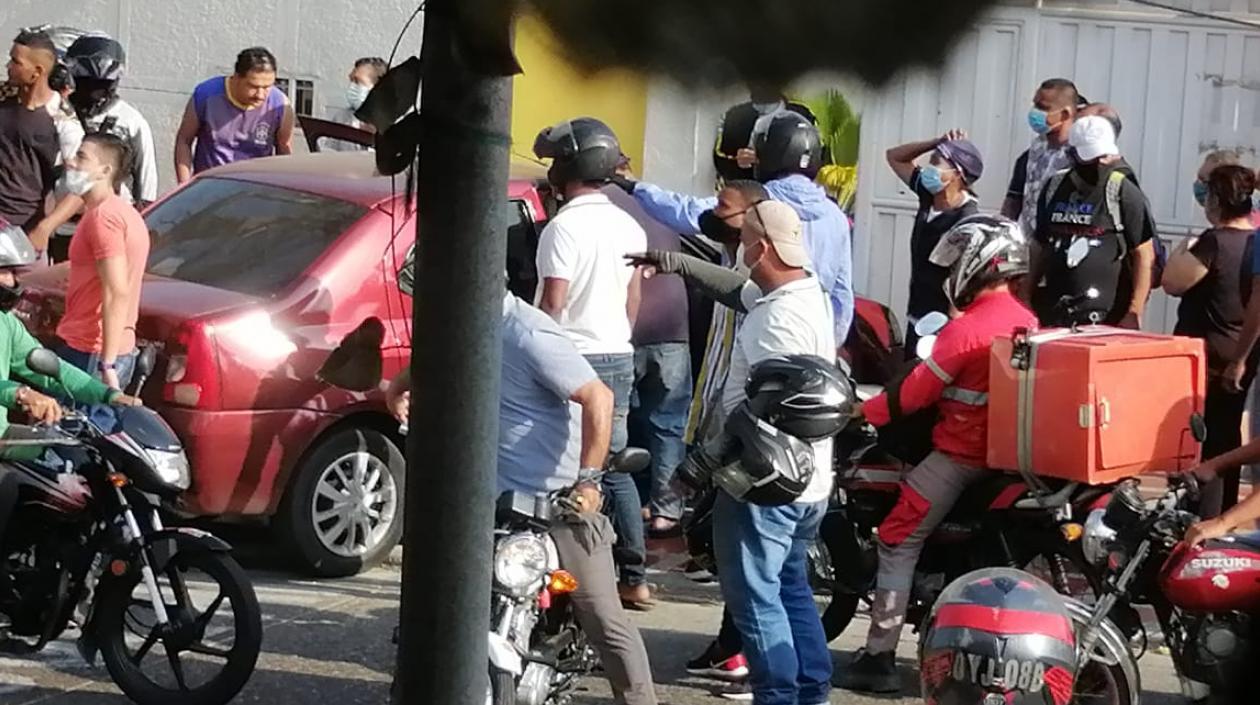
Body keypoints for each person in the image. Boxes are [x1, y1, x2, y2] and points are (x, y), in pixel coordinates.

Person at [384, 272, 659, 705]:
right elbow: (433, 357)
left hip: (556, 503)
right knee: (430, 605)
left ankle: (642, 700)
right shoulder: (460, 323)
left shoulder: (529, 332)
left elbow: (599, 397)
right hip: (483, 502)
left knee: (603, 617)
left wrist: (587, 482)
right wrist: (398, 389)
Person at [630, 201, 838, 705]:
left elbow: (763, 413)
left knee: (757, 601)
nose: (739, 249)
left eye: (743, 241)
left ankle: (779, 696)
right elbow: (736, 290)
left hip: (767, 483)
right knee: (789, 589)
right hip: (808, 482)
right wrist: (676, 261)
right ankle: (811, 692)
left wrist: (695, 469)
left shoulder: (779, 320)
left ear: (761, 248)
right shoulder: (801, 293)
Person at [836, 215, 1036, 694]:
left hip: (962, 456)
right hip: (1009, 456)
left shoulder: (968, 330)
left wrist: (863, 410)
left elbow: (911, 394)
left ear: (980, 264)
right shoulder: (1026, 319)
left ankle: (880, 654)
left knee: (897, 537)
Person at [532, 117, 652, 609]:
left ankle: (574, 573)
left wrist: (537, 352)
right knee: (612, 466)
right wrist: (619, 338)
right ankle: (635, 575)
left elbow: (552, 304)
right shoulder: (629, 223)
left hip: (572, 357)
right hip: (618, 353)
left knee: (566, 469)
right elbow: (633, 298)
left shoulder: (562, 228)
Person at [617, 112, 855, 345]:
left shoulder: (756, 201)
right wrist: (829, 343)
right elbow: (842, 294)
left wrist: (633, 186)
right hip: (811, 335)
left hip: (755, 327)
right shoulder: (835, 216)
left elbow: (687, 212)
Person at [0, 220, 141, 593]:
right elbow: (17, 387)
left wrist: (107, 395)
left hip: (3, 436)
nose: (12, 283)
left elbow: (50, 367)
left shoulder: (6, 325)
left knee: (66, 477)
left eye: (14, 273)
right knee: (7, 487)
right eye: (3, 273)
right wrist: (20, 395)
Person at [1165, 163, 1258, 518]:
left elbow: (1174, 282)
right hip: (1240, 355)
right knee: (1227, 435)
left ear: (1217, 200)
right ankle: (1222, 512)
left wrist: (1181, 249)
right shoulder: (1253, 242)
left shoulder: (1214, 242)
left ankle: (1200, 516)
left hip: (1205, 360)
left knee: (1200, 440)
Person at [605, 157, 691, 538]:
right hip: (673, 330)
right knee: (667, 425)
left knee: (617, 422)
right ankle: (666, 511)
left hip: (622, 330)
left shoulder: (595, 206)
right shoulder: (661, 205)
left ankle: (619, 508)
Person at [28, 33, 159, 264]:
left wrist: (141, 220)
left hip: (109, 222)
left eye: (100, 85)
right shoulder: (58, 112)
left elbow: (146, 178)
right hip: (61, 224)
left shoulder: (130, 121)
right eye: (87, 83)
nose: (93, 92)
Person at [1028, 116, 1156, 328]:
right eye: (1091, 157)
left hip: (1107, 320)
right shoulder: (1054, 187)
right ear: (1072, 154)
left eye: (1103, 155)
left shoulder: (1122, 190)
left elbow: (1144, 254)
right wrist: (1026, 294)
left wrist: (1134, 311)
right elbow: (1039, 245)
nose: (1100, 163)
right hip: (1054, 315)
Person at [54, 133, 150, 391]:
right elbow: (78, 270)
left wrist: (107, 365)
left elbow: (116, 291)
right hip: (98, 351)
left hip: (90, 354)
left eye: (81, 157)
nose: (70, 162)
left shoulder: (103, 219)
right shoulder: (116, 212)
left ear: (104, 171)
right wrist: (19, 278)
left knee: (66, 431)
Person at [884, 130, 984, 354]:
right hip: (917, 316)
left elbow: (964, 286)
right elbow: (894, 156)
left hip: (943, 327)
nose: (929, 168)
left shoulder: (966, 221)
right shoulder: (929, 195)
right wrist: (935, 142)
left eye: (936, 163)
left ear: (957, 174)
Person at [1, 29, 84, 249]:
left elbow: (81, 187)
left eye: (15, 62)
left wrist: (45, 228)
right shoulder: (3, 95)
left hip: (21, 233)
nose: (8, 66)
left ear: (37, 72)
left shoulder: (63, 120)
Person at [174, 47, 294, 183]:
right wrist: (184, 185)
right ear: (236, 77)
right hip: (209, 187)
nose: (260, 95)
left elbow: (284, 151)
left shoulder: (280, 105)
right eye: (253, 86)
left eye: (267, 87)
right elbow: (184, 140)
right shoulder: (206, 95)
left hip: (255, 190)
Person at [1002, 78, 1080, 239]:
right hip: (1027, 245)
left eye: (1043, 107)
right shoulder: (1033, 153)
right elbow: (1013, 202)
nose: (1035, 112)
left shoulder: (1080, 156)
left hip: (1061, 247)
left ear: (1065, 114)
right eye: (1035, 104)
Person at [714, 83, 816, 183]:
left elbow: (813, 158)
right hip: (747, 191)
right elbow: (721, 161)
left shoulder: (803, 114)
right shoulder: (735, 115)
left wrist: (764, 160)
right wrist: (737, 161)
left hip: (788, 189)